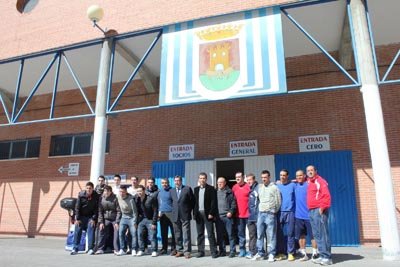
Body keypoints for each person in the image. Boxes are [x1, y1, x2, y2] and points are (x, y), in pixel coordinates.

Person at [252, 170, 281, 262]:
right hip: (261, 214)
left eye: (265, 177)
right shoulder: (260, 187)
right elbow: (258, 199)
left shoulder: (274, 188)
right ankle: (261, 253)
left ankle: (271, 254)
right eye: (262, 177)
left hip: (270, 214)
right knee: (260, 235)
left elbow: (278, 201)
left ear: (269, 177)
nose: (264, 179)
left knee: (271, 235)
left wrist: (273, 211)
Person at [306, 165, 332, 265]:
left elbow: (326, 195)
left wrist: (322, 208)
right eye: (308, 170)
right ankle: (322, 255)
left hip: (319, 210)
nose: (310, 172)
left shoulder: (320, 181)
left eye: (311, 170)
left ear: (316, 171)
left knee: (322, 234)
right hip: (311, 211)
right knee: (316, 234)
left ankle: (327, 257)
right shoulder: (309, 181)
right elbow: (299, 179)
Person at [294, 169, 318, 261]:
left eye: (300, 175)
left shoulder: (309, 185)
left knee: (313, 236)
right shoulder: (295, 186)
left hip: (309, 216)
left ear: (304, 176)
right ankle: (304, 254)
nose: (299, 177)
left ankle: (315, 253)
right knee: (301, 236)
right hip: (298, 216)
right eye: (297, 176)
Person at [70, 181, 99, 255]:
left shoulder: (96, 196)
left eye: (90, 188)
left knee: (91, 230)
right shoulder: (81, 195)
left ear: (93, 189)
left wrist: (93, 219)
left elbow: (96, 209)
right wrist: (77, 219)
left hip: (90, 217)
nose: (89, 190)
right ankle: (75, 248)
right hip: (81, 217)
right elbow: (77, 207)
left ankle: (90, 249)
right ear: (85, 189)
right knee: (78, 230)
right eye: (87, 188)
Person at [193, 172, 218, 258]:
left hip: (208, 215)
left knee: (210, 233)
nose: (202, 180)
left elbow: (213, 202)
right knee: (200, 234)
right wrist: (194, 213)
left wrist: (211, 213)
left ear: (206, 179)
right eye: (200, 178)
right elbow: (194, 203)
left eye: (204, 178)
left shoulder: (211, 189)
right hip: (198, 215)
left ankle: (214, 251)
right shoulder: (195, 189)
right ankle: (201, 251)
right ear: (198, 179)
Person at [170, 175, 194, 259]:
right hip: (175, 215)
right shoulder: (171, 191)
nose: (177, 182)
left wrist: (188, 210)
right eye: (175, 181)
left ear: (181, 181)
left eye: (178, 180)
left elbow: (192, 201)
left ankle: (187, 252)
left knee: (186, 234)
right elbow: (171, 202)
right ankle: (179, 250)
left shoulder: (187, 189)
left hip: (185, 215)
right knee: (177, 234)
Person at [276, 169, 296, 261]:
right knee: (279, 233)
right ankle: (280, 252)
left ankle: (290, 253)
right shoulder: (277, 185)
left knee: (290, 233)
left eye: (284, 175)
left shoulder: (293, 185)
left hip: (290, 212)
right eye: (281, 175)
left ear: (287, 176)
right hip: (279, 212)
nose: (282, 177)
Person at [215, 177, 237, 258]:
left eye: (221, 182)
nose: (219, 184)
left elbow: (234, 203)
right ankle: (222, 251)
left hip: (227, 217)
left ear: (225, 183)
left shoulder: (229, 192)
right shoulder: (215, 192)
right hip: (218, 217)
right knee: (220, 235)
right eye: (218, 182)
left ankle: (232, 251)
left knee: (230, 234)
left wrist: (231, 212)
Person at [96, 185, 121, 255]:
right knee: (101, 230)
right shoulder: (101, 198)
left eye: (107, 191)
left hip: (114, 219)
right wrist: (101, 222)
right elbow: (100, 211)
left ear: (110, 191)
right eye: (104, 191)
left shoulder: (115, 198)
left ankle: (116, 249)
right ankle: (100, 249)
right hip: (106, 219)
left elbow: (119, 211)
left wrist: (117, 222)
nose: (106, 192)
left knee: (116, 231)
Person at [232, 171, 251, 257]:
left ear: (243, 177)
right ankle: (242, 250)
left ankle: (251, 250)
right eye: (236, 177)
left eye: (239, 177)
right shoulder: (234, 187)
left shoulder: (248, 186)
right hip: (238, 215)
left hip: (249, 214)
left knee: (251, 234)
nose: (237, 178)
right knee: (241, 234)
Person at [136, 185, 159, 257]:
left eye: (140, 191)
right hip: (141, 220)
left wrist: (154, 222)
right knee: (140, 235)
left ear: (144, 191)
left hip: (150, 219)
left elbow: (155, 211)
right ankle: (141, 249)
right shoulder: (136, 199)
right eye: (138, 191)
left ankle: (154, 250)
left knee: (152, 235)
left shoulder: (151, 198)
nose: (139, 192)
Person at [116, 185, 138, 256]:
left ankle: (134, 249)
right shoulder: (118, 197)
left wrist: (135, 221)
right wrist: (117, 221)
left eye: (123, 192)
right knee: (120, 233)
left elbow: (135, 212)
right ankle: (122, 249)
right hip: (123, 217)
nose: (121, 193)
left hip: (131, 217)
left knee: (133, 233)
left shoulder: (131, 199)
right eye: (120, 192)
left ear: (126, 192)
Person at [158, 178, 176, 255]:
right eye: (163, 183)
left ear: (168, 183)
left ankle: (173, 248)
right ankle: (164, 248)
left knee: (173, 232)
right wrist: (159, 212)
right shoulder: (160, 191)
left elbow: (175, 202)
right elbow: (159, 203)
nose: (164, 184)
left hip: (171, 213)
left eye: (165, 183)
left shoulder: (172, 190)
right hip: (163, 214)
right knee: (163, 232)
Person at [246, 173, 259, 259]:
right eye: (247, 180)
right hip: (250, 216)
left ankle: (260, 251)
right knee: (252, 235)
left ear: (254, 179)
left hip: (257, 216)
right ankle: (252, 251)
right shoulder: (250, 189)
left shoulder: (258, 188)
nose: (248, 181)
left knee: (260, 235)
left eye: (250, 180)